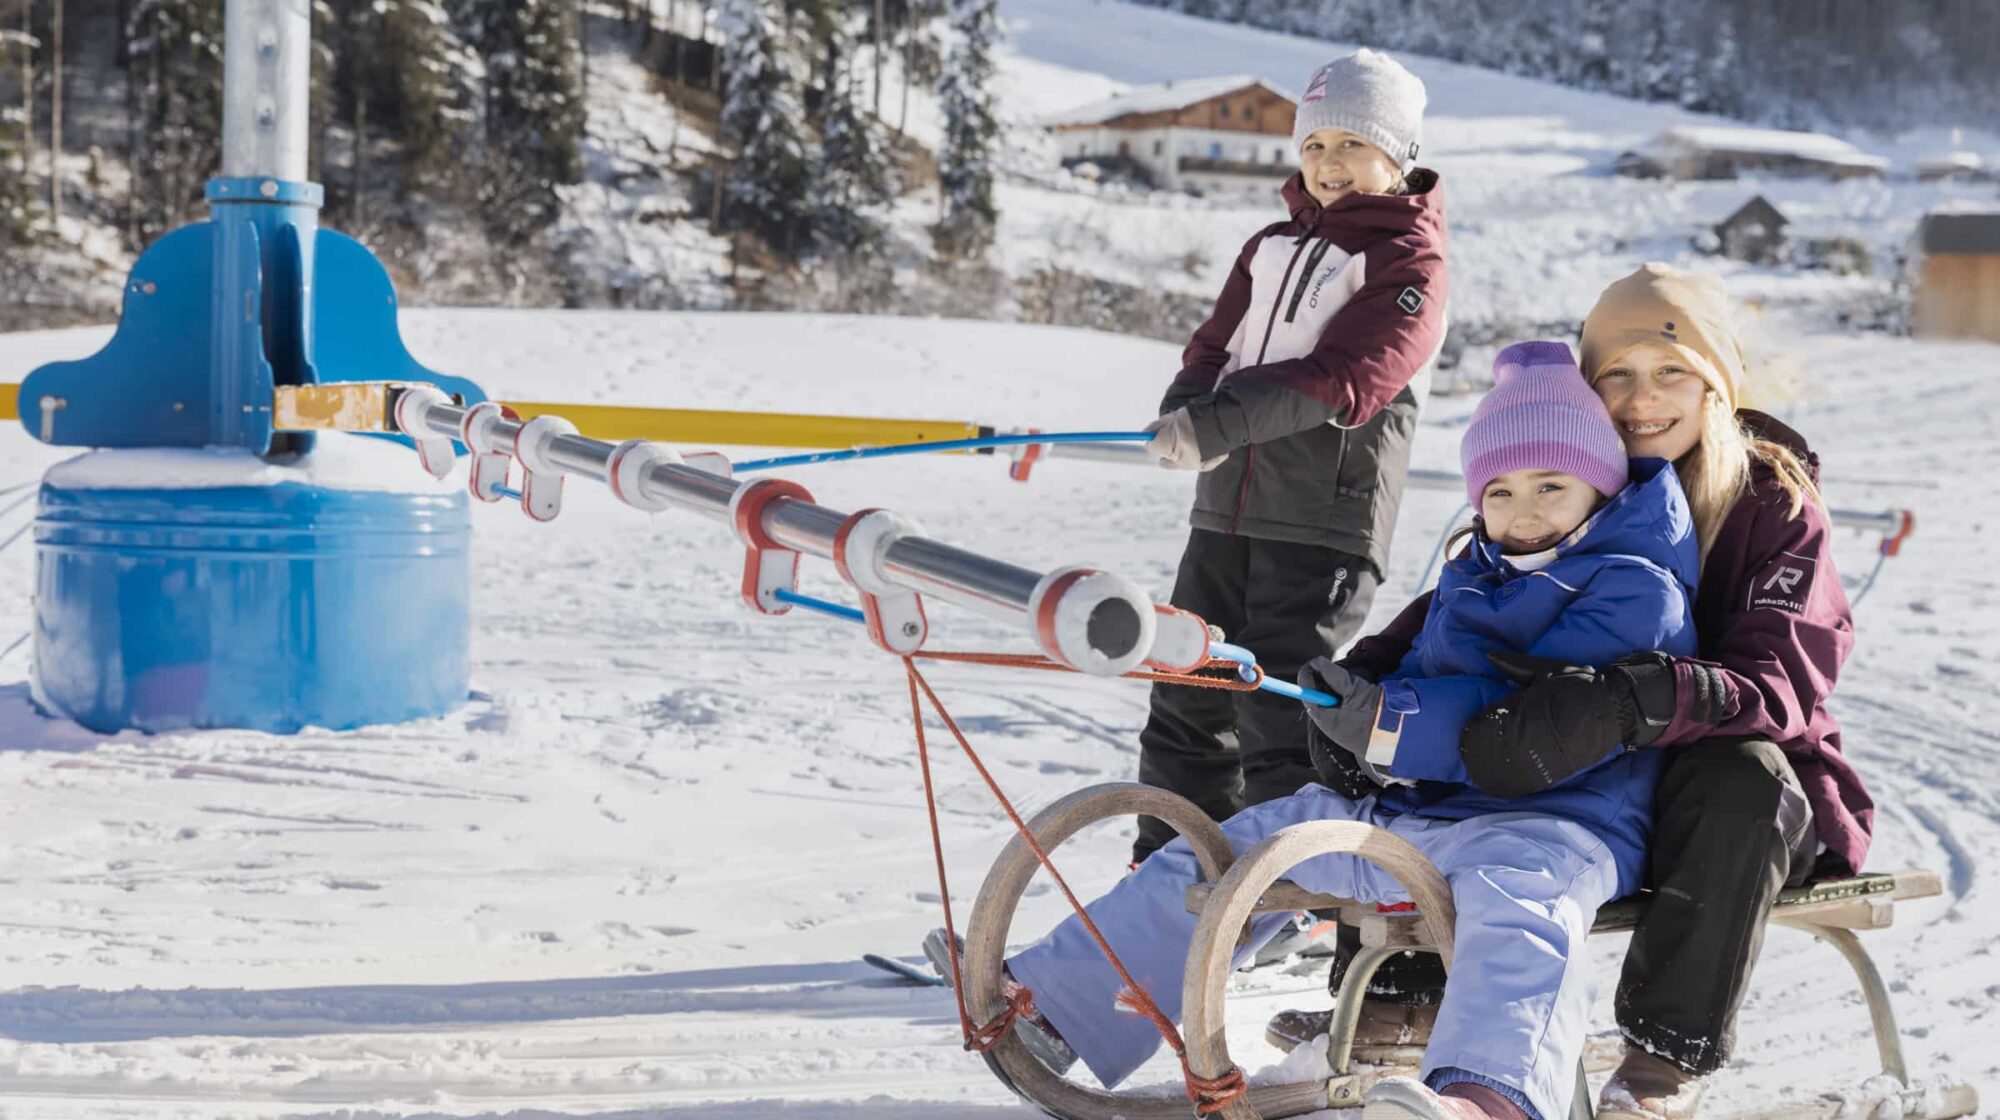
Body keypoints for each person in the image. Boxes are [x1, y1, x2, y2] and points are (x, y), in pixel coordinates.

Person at [998, 341, 1698, 1120]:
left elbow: (1531, 720)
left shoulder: (1639, 590)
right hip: (1424, 813)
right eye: (1498, 491)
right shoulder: (1477, 573)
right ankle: (1061, 1008)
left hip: (1558, 823)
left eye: (1550, 485)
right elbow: (1433, 679)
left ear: (1599, 485)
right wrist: (1355, 705)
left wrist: (1389, 724)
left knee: (1522, 919)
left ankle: (1487, 1095)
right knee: (1243, 843)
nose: (1523, 511)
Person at [1272, 264, 1866, 1120]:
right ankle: (1405, 999)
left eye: (1672, 373)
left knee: (1743, 774)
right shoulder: (1565, 475)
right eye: (1616, 375)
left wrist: (1642, 698)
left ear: (1715, 384)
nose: (1642, 398)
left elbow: (1786, 679)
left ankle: (1663, 1060)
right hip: (1569, 772)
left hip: (1719, 805)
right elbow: (1456, 606)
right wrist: (1361, 682)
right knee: (1449, 737)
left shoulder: (1772, 502)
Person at [1130, 48, 1449, 868]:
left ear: (1397, 154)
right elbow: (1214, 347)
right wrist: (1184, 410)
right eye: (1314, 147)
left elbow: (1343, 378)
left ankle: (1293, 890)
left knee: (1277, 706)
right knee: (1186, 689)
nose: (1329, 165)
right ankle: (1167, 879)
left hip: (1322, 523)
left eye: (1350, 145)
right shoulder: (1270, 245)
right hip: (1227, 510)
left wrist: (1219, 424)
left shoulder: (1408, 264)